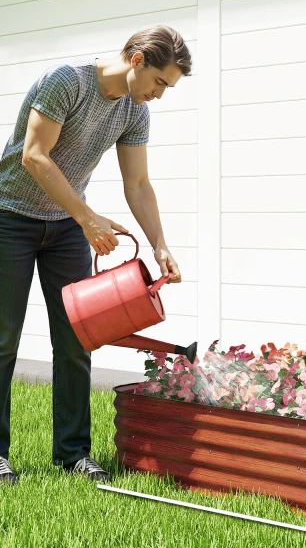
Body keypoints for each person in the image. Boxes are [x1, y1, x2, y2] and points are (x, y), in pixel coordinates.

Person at [0, 25, 192, 486]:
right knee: (3, 339)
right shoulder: (68, 81)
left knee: (74, 341)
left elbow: (138, 184)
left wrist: (160, 243)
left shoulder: (134, 110)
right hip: (10, 217)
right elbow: (35, 156)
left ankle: (71, 454)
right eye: (160, 83)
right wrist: (88, 218)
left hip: (65, 227)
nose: (159, 95)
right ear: (138, 60)